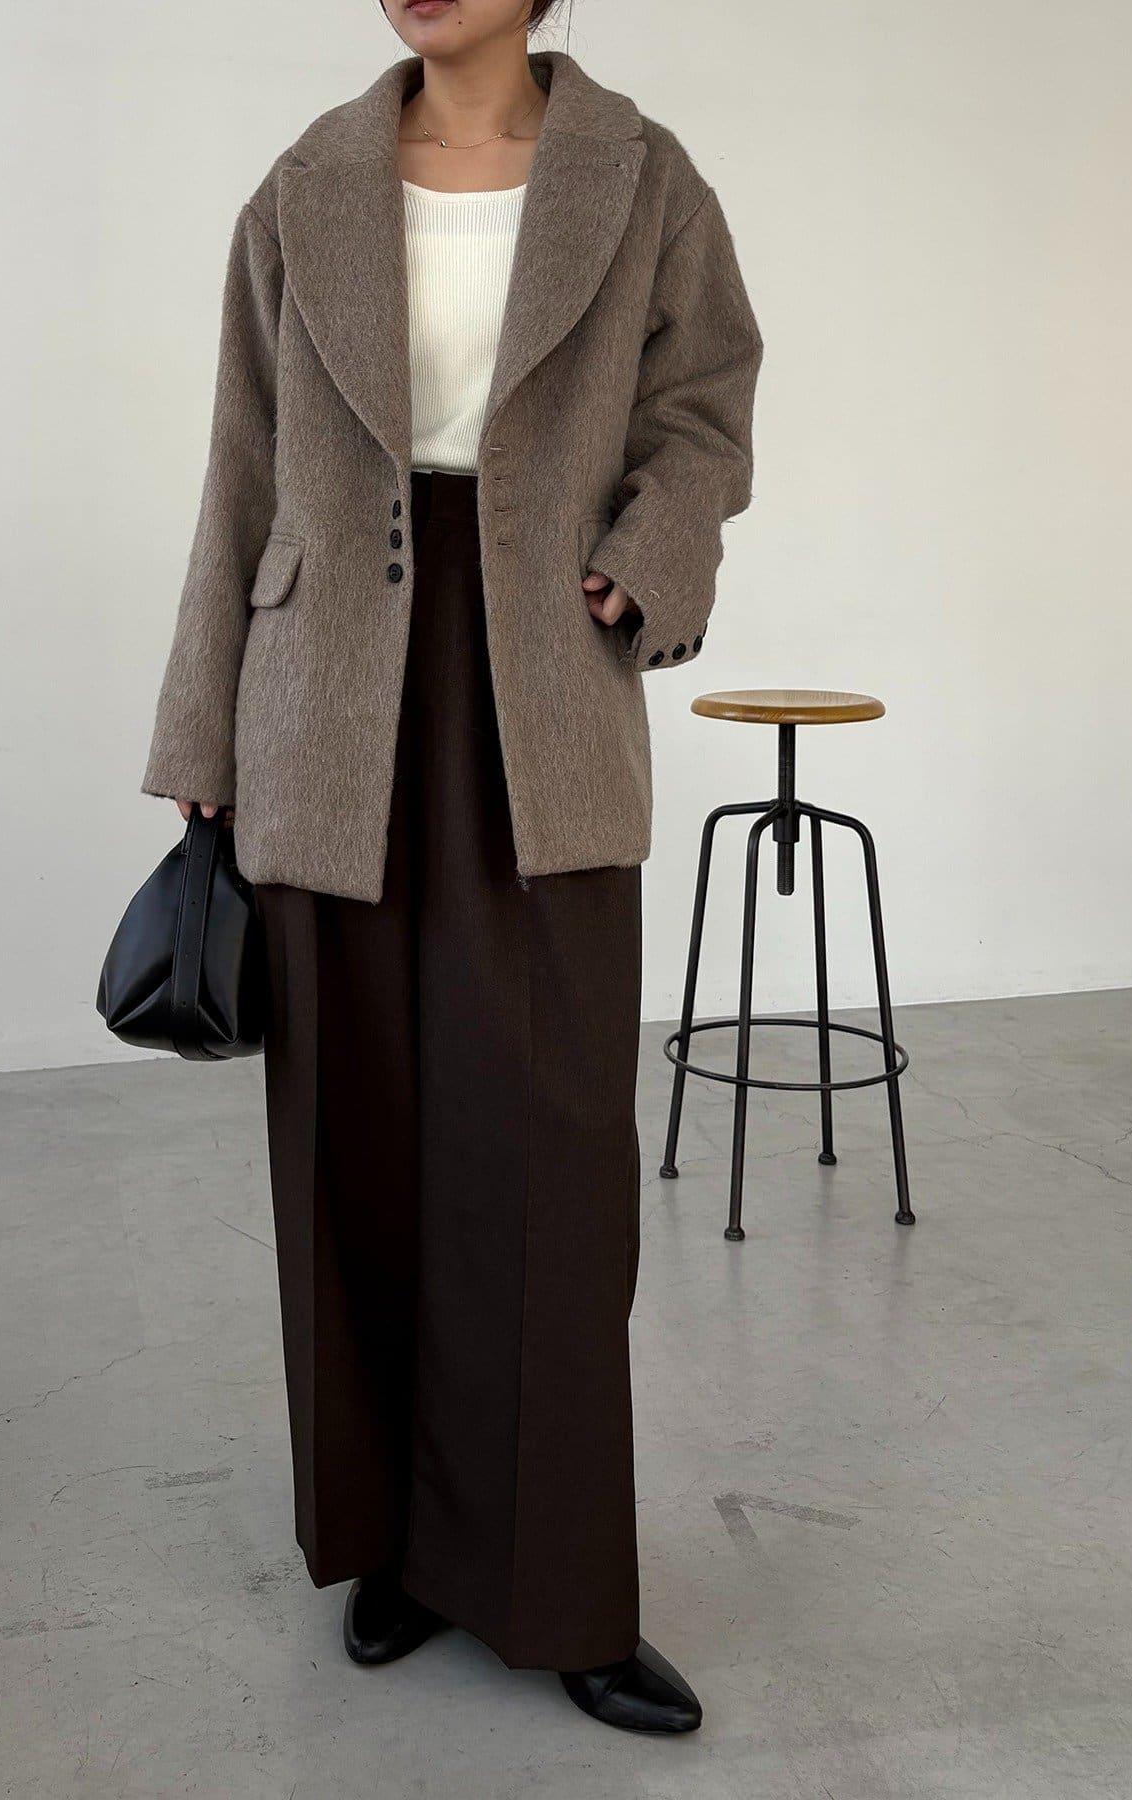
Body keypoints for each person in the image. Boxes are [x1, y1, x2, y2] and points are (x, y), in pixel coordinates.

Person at [141, 0, 762, 1734]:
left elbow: (705, 411)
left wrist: (650, 560)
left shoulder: (643, 178)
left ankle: (561, 1590)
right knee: (356, 1137)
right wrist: (202, 746)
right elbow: (242, 467)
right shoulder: (305, 185)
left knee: (550, 1158)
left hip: (543, 686)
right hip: (324, 700)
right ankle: (396, 1550)